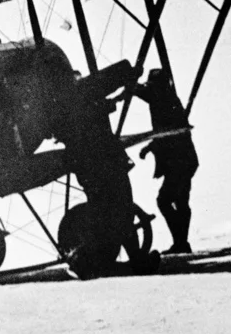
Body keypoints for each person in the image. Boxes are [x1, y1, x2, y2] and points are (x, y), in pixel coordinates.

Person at [52, 90, 159, 274]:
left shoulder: (65, 110)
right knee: (116, 209)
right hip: (101, 165)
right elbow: (103, 109)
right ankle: (92, 261)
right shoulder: (74, 108)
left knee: (115, 210)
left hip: (99, 166)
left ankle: (114, 259)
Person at [136, 67, 199, 255]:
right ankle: (181, 243)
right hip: (184, 161)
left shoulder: (163, 98)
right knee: (180, 202)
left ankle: (180, 242)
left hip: (179, 162)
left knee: (164, 200)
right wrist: (149, 148)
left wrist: (129, 83)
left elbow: (147, 93)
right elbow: (166, 133)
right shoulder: (168, 99)